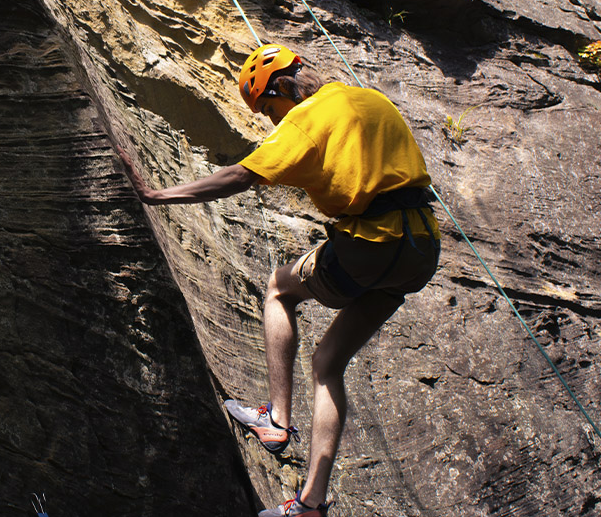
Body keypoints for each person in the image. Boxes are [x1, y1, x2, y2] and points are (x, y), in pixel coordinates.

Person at [116, 44, 440, 517]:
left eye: (268, 108)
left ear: (282, 87)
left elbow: (237, 176)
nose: (271, 120)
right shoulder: (373, 100)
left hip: (370, 244)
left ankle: (276, 420)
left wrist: (156, 194)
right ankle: (310, 506)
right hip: (421, 248)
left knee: (278, 288)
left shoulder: (304, 118)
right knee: (328, 362)